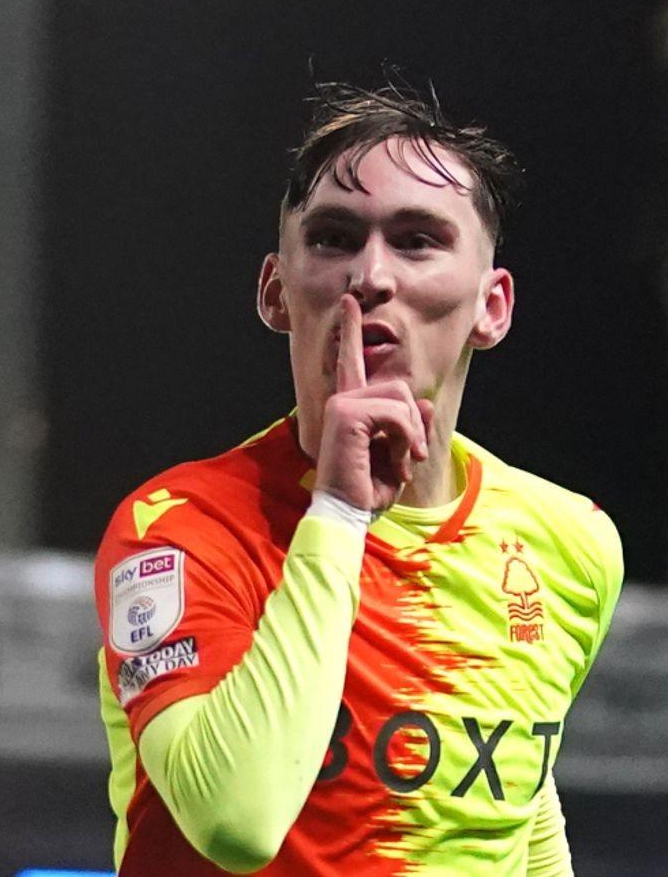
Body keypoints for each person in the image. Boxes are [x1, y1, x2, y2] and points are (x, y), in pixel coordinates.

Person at [93, 80, 624, 875]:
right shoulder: (179, 529)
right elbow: (236, 820)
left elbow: (519, 805)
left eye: (417, 240)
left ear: (492, 307)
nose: (370, 275)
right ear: (276, 292)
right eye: (335, 239)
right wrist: (339, 513)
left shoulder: (569, 542)